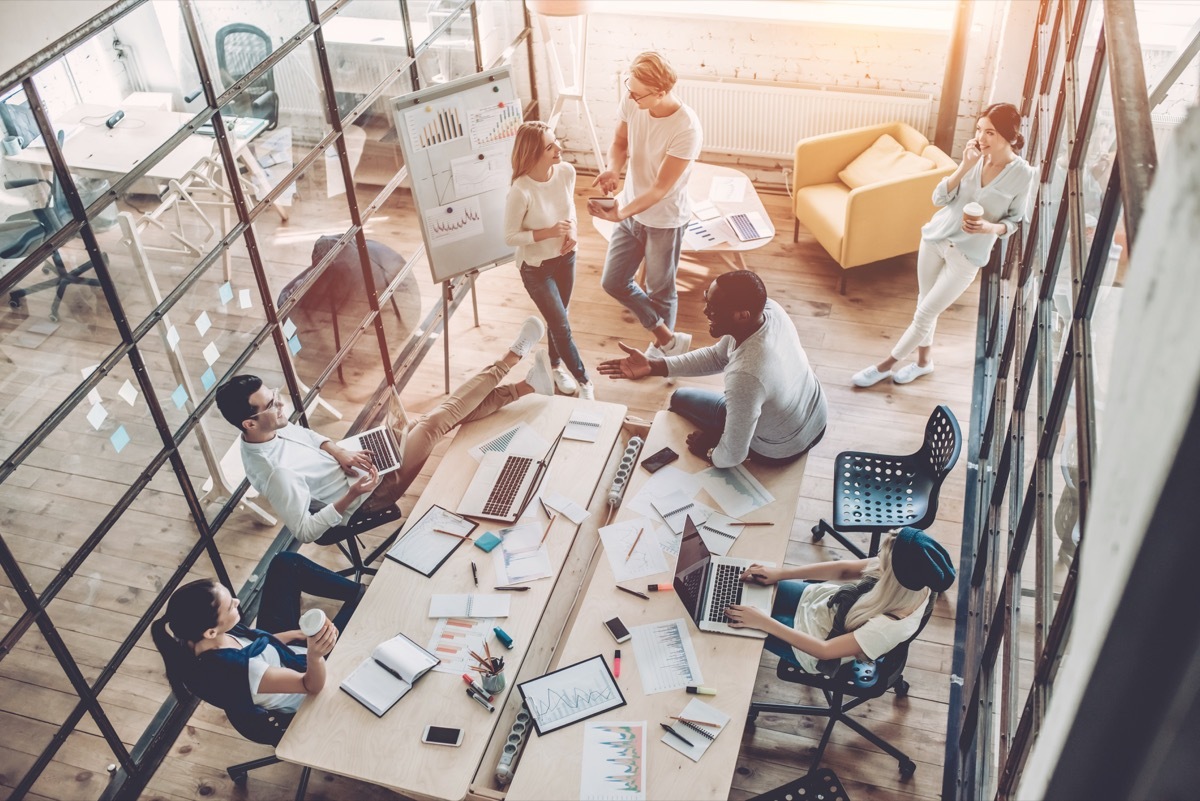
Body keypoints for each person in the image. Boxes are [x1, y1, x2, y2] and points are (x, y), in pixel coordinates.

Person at [214, 317, 553, 544]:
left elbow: (311, 438)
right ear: (249, 423)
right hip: (368, 496)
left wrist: (339, 451)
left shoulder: (271, 428)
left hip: (357, 462)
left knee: (433, 421)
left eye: (274, 396)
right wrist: (352, 494)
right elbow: (304, 532)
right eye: (271, 404)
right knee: (434, 424)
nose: (280, 403)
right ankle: (512, 357)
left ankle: (527, 387)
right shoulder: (274, 474)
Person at [852, 103, 1037, 387]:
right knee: (924, 305)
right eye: (979, 130)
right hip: (936, 238)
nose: (981, 138)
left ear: (1009, 137)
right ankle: (924, 362)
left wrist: (989, 227)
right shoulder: (973, 158)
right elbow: (939, 199)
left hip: (967, 256)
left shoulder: (1023, 174)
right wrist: (964, 166)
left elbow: (1015, 222)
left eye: (990, 133)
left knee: (926, 311)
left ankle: (884, 366)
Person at [597, 270, 827, 468]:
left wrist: (709, 452)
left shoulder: (746, 376)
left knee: (680, 399)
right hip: (815, 415)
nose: (705, 311)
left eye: (714, 308)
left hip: (779, 449)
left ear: (742, 315)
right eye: (707, 299)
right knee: (690, 399)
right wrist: (653, 366)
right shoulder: (769, 310)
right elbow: (717, 357)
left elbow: (733, 456)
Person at [589, 51, 702, 361]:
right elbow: (620, 143)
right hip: (631, 208)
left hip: (664, 219)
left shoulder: (686, 128)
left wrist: (621, 212)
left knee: (660, 289)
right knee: (613, 281)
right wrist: (614, 168)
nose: (630, 97)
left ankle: (661, 352)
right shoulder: (633, 100)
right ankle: (667, 337)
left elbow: (661, 188)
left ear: (661, 93)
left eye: (637, 94)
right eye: (629, 88)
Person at [150, 552, 362, 713]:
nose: (238, 601)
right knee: (361, 610)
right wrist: (315, 654)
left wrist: (295, 634)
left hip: (282, 655)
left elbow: (258, 644)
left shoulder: (196, 639)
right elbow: (311, 685)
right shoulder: (242, 670)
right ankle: (362, 596)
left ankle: (358, 593)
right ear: (211, 632)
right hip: (309, 678)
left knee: (285, 563)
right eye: (231, 607)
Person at [724, 528, 955, 673]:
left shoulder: (888, 627)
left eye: (883, 559)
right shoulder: (911, 577)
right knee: (740, 586)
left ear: (893, 576)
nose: (877, 559)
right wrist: (780, 573)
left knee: (731, 621)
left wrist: (763, 622)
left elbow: (824, 651)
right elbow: (845, 571)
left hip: (814, 643)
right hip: (821, 604)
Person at [504, 121, 594, 400]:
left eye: (557, 141)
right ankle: (586, 382)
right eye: (550, 146)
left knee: (559, 320)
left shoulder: (566, 172)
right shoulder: (520, 191)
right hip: (536, 269)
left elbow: (570, 211)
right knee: (561, 325)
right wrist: (548, 233)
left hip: (566, 258)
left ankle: (554, 367)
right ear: (534, 154)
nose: (559, 148)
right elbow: (510, 237)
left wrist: (574, 233)